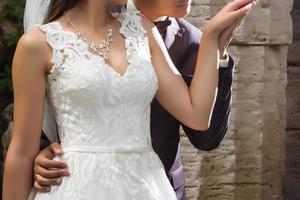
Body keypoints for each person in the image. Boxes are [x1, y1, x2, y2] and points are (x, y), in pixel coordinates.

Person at [3, 0, 256, 199]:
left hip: (147, 187)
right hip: (75, 186)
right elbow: (22, 151)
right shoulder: (37, 44)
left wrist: (212, 37)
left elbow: (198, 116)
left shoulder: (143, 29)